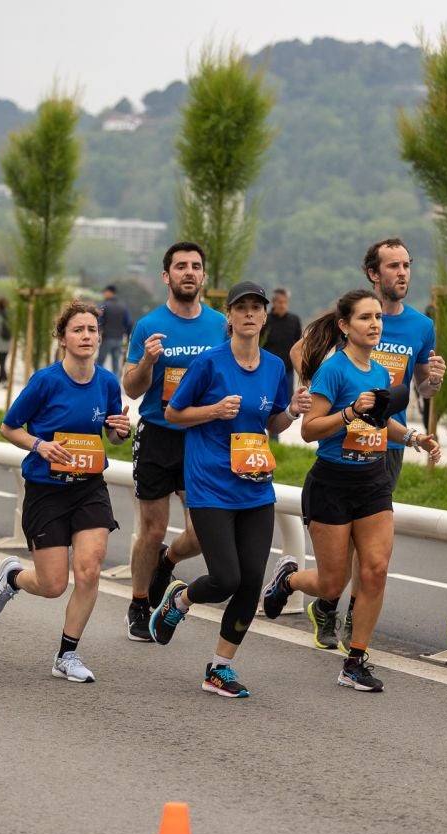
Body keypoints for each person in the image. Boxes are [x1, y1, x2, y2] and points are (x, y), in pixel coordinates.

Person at [261, 289, 441, 692]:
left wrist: (414, 438)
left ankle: (355, 660)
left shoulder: (380, 373)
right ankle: (288, 581)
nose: (375, 324)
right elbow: (310, 430)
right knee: (331, 584)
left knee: (375, 570)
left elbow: (382, 422)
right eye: (365, 318)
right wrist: (349, 412)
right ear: (344, 326)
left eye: (378, 317)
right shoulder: (334, 371)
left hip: (373, 480)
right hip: (332, 483)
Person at [147, 282, 314, 698]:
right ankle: (180, 600)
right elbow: (174, 413)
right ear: (230, 316)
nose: (250, 314)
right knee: (225, 578)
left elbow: (272, 422)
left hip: (255, 486)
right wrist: (214, 411)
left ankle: (219, 668)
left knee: (251, 582)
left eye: (257, 307)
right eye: (242, 308)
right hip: (210, 484)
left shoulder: (274, 366)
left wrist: (293, 411)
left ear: (265, 316)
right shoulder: (209, 363)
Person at [0, 300, 130, 683]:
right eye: (78, 330)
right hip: (47, 490)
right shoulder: (45, 381)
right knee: (52, 585)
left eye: (92, 330)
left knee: (90, 568)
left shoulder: (107, 382)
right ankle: (12, 578)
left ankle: (67, 654)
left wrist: (120, 431)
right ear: (63, 338)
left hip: (89, 487)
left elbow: (112, 435)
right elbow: (8, 427)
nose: (86, 336)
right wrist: (40, 446)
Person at [120, 241, 228, 641]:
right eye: (181, 266)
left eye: (196, 266)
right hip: (156, 436)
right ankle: (138, 603)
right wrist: (148, 361)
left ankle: (166, 562)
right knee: (152, 530)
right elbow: (131, 388)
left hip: (200, 437)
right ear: (166, 276)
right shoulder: (148, 325)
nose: (189, 272)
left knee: (201, 533)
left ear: (204, 275)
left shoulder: (220, 325)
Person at [260, 286, 301, 397]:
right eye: (280, 302)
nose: (283, 305)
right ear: (273, 302)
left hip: (287, 369)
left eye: (285, 302)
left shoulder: (294, 320)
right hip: (268, 368)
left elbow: (298, 344)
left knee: (287, 399)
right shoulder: (265, 321)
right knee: (267, 398)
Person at [97, 284, 132, 376]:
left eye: (105, 292)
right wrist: (127, 337)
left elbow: (98, 320)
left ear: (109, 292)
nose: (104, 294)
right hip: (119, 339)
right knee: (116, 364)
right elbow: (128, 323)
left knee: (100, 362)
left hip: (107, 338)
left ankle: (101, 379)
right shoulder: (123, 307)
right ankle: (115, 382)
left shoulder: (104, 305)